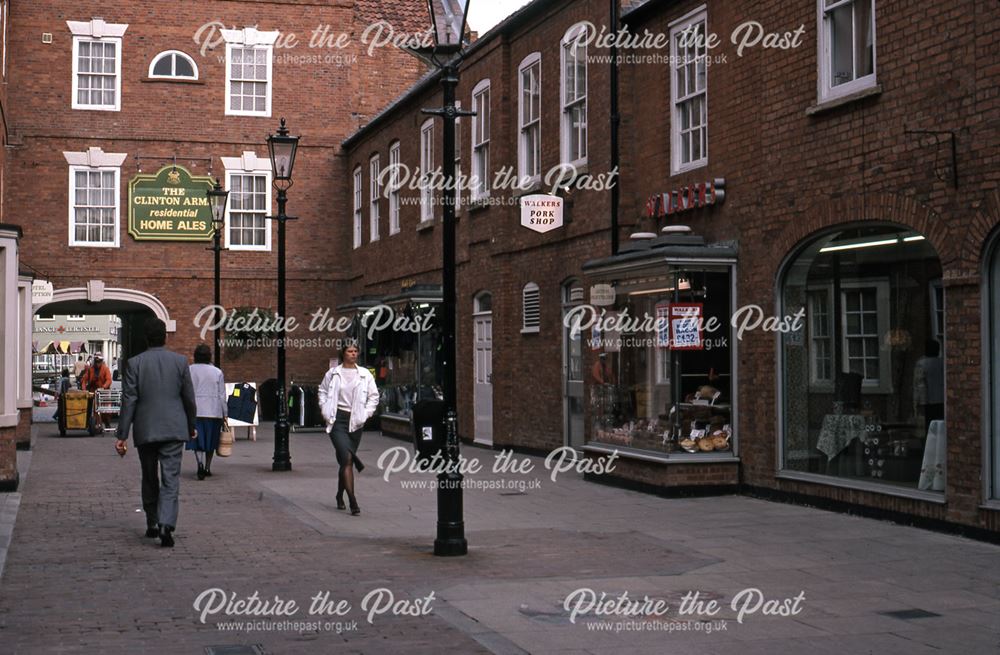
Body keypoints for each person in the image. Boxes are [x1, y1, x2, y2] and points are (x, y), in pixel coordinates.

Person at [115, 318, 197, 548]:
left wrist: (122, 434)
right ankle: (166, 523)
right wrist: (191, 425)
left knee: (149, 476)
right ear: (165, 336)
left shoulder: (134, 363)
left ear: (145, 339)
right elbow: (188, 398)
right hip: (173, 428)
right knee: (171, 479)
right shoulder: (180, 362)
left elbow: (129, 400)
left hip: (146, 429)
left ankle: (152, 522)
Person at [318, 343, 379, 516]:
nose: (353, 354)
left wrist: (366, 414)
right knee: (347, 458)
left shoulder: (365, 374)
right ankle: (353, 500)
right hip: (337, 420)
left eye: (355, 351)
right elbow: (322, 391)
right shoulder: (333, 373)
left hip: (356, 421)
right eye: (350, 351)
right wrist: (324, 408)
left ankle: (339, 495)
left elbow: (374, 396)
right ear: (343, 354)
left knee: (346, 462)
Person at [187, 344, 227, 480]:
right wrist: (225, 413)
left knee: (197, 440)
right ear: (209, 356)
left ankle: (199, 463)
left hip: (195, 411)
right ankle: (208, 467)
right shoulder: (217, 372)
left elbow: (186, 391)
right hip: (213, 410)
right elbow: (222, 395)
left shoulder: (190, 370)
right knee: (211, 441)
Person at [914, 339, 944, 432]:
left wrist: (918, 403)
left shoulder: (921, 364)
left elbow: (920, 386)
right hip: (942, 400)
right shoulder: (942, 363)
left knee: (929, 429)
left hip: (928, 402)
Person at [81, 352, 113, 427]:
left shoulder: (105, 369)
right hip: (94, 392)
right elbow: (84, 380)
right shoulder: (90, 369)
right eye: (96, 361)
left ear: (102, 361)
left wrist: (104, 387)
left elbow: (109, 380)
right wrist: (84, 389)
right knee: (96, 409)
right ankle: (97, 424)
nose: (97, 363)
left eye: (99, 361)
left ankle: (107, 422)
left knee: (105, 410)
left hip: (104, 392)